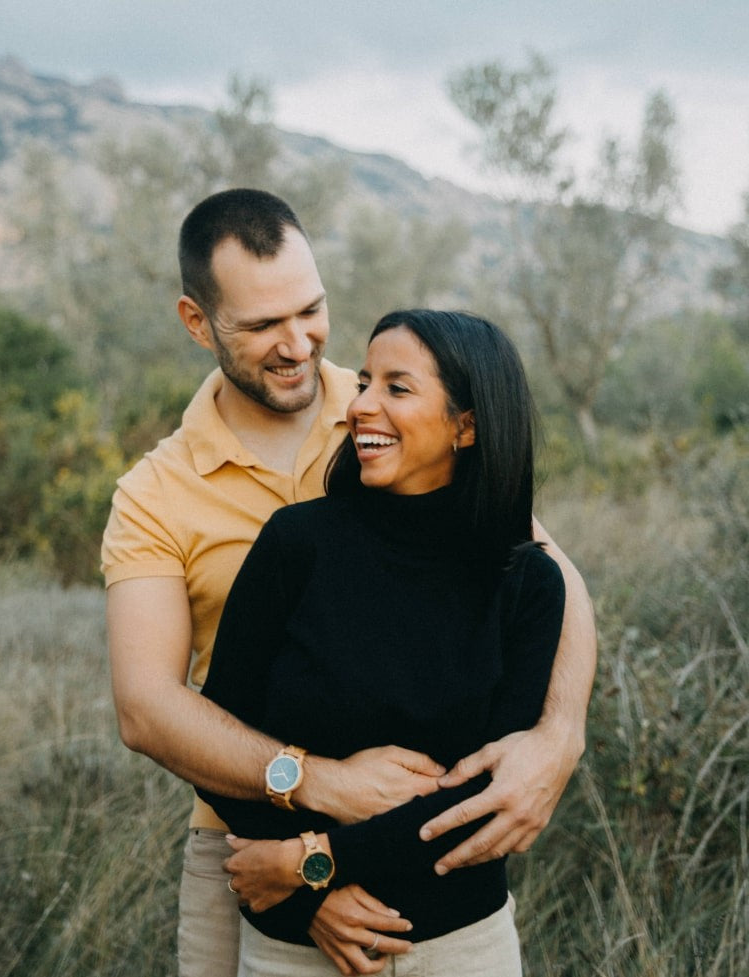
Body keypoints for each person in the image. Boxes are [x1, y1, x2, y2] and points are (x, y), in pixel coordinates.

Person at [101, 190, 596, 977]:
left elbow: (549, 578)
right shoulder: (155, 494)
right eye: (263, 324)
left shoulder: (391, 407)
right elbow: (148, 707)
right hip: (243, 847)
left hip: (434, 892)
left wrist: (560, 733)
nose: (297, 342)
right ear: (199, 323)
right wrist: (308, 844)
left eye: (311, 309)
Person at [195, 309, 564, 976]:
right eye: (364, 382)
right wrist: (308, 895)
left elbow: (483, 798)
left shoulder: (526, 582)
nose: (360, 404)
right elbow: (217, 736)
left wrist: (313, 860)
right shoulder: (297, 544)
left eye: (396, 387)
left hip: (462, 950)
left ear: (468, 424)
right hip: (292, 948)